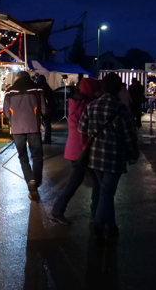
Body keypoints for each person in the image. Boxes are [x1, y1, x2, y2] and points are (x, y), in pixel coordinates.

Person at [78, 73, 140, 242]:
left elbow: (81, 129)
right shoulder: (122, 109)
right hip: (114, 158)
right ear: (119, 88)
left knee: (106, 192)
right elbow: (130, 137)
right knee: (107, 192)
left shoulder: (91, 106)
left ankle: (110, 226)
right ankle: (98, 225)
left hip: (95, 157)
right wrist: (134, 154)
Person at [48, 78, 102, 225]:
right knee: (95, 181)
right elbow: (86, 128)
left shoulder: (76, 103)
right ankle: (94, 214)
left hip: (75, 148)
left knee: (77, 181)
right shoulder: (87, 105)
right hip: (84, 148)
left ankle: (58, 211)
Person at [4, 71, 47, 201]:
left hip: (16, 127)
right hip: (33, 126)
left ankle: (30, 181)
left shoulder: (9, 91)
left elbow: (6, 112)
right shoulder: (37, 88)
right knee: (37, 155)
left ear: (17, 78)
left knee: (23, 157)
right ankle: (36, 181)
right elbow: (44, 108)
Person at [35, 74, 56, 144]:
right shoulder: (47, 87)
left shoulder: (40, 88)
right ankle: (47, 138)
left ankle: (46, 138)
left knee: (45, 124)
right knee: (47, 124)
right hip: (49, 108)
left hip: (44, 108)